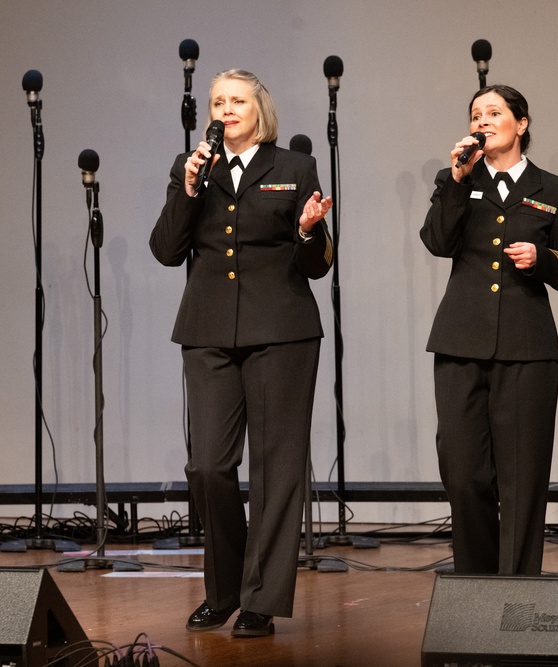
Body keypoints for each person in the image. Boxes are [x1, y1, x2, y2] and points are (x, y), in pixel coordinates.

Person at [150, 69, 333, 638]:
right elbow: (165, 250)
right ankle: (224, 589)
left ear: (260, 111)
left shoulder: (294, 168)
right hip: (208, 332)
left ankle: (260, 600)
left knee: (277, 470)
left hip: (282, 331)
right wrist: (186, 189)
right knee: (207, 465)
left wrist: (307, 232)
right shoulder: (193, 169)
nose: (226, 109)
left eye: (237, 101)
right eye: (217, 101)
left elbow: (318, 263)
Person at [421, 84, 558, 576]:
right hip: (460, 342)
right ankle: (475, 587)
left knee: (522, 479)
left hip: (527, 347)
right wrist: (455, 180)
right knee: (463, 472)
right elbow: (436, 241)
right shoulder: (455, 179)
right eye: (476, 114)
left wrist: (541, 261)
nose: (484, 120)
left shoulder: (552, 189)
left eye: (495, 112)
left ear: (522, 123)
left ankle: (517, 592)